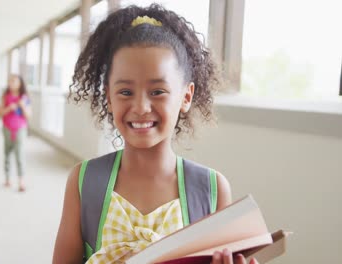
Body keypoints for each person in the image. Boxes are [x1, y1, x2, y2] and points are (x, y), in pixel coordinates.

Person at [53, 4, 259, 264]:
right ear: (108, 97)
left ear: (186, 96)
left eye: (157, 91)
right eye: (125, 92)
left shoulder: (211, 189)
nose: (140, 107)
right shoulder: (84, 181)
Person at [0, 74, 31, 192]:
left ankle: (21, 180)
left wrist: (22, 106)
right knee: (7, 152)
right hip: (7, 128)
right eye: (10, 81)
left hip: (20, 128)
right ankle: (7, 178)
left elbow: (28, 116)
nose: (12, 83)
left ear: (20, 83)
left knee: (19, 153)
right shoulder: (5, 96)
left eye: (14, 81)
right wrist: (8, 109)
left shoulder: (24, 97)